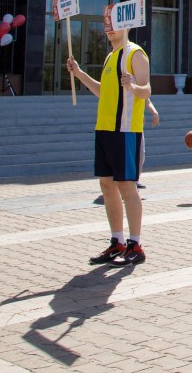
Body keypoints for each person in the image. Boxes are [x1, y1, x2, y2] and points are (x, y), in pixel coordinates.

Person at [66, 20, 153, 266]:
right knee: (106, 185)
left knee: (126, 186)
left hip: (125, 129)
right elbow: (103, 91)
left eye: (115, 24)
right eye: (107, 25)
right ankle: (117, 242)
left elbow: (147, 89)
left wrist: (133, 86)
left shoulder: (135, 53)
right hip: (104, 128)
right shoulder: (110, 57)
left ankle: (136, 245)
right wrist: (79, 73)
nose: (109, 29)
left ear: (127, 26)